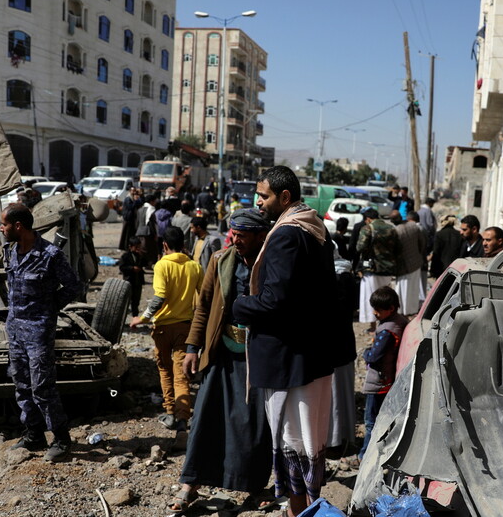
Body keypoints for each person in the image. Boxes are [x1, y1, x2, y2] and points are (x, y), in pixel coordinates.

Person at [232, 166, 348, 517]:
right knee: (307, 441)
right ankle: (302, 509)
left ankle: (301, 511)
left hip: (289, 359)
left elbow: (275, 301)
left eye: (263, 196)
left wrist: (237, 305)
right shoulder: (315, 228)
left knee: (293, 442)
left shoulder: (286, 234)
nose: (259, 202)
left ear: (284, 197)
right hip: (310, 354)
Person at [170, 209, 274, 513]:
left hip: (257, 359)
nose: (236, 239)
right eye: (234, 233)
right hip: (222, 354)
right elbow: (202, 307)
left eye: (243, 235)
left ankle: (254, 485)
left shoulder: (270, 264)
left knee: (252, 424)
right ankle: (190, 482)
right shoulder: (220, 260)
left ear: (259, 235)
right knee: (205, 416)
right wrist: (192, 347)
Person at [1, 203, 82, 462]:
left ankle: (61, 438)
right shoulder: (11, 250)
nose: (1, 229)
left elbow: (72, 287)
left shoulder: (50, 254)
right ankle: (34, 434)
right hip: (15, 330)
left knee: (42, 387)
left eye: (4, 224)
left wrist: (48, 309)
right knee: (22, 384)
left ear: (18, 226)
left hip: (38, 331)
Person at [129, 226, 202, 432]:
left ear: (165, 245)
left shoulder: (162, 265)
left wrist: (142, 319)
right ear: (184, 245)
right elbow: (204, 297)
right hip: (185, 328)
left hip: (162, 328)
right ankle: (182, 419)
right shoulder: (194, 266)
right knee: (182, 374)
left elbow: (159, 297)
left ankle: (170, 411)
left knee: (165, 371)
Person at [359, 286, 407, 460]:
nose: (374, 313)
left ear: (391, 309)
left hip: (378, 383)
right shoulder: (400, 321)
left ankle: (365, 456)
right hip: (387, 381)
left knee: (371, 422)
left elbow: (374, 356)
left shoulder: (387, 331)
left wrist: (366, 353)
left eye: (378, 310)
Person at [355, 208, 400, 324]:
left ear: (368, 219)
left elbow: (360, 247)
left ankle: (373, 326)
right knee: (385, 297)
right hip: (388, 269)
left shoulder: (368, 228)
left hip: (372, 269)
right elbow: (398, 248)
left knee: (372, 297)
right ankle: (386, 322)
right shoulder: (391, 228)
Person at [394, 212, 427, 316]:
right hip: (416, 264)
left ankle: (402, 311)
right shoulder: (414, 227)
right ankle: (411, 311)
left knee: (401, 290)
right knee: (413, 289)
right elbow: (422, 244)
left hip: (403, 266)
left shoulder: (396, 230)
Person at [118, 236, 146, 319]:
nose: (138, 249)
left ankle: (135, 318)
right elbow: (122, 267)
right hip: (129, 281)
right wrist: (132, 268)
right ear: (130, 247)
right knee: (126, 301)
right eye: (136, 247)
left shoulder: (140, 256)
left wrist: (142, 256)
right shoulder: (125, 256)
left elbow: (146, 263)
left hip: (138, 282)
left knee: (136, 301)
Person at [430, 214, 462, 279]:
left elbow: (436, 253)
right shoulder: (459, 234)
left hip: (441, 269)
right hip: (456, 269)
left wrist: (433, 271)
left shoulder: (439, 234)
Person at [135, 192, 160, 264]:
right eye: (154, 201)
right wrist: (155, 234)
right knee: (149, 249)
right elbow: (151, 223)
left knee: (142, 249)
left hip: (140, 231)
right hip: (148, 232)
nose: (155, 203)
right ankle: (148, 264)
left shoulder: (140, 209)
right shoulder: (151, 209)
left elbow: (137, 222)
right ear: (151, 201)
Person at [118, 187, 142, 251]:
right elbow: (130, 207)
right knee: (126, 234)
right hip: (128, 218)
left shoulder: (133, 198)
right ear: (129, 191)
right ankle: (125, 246)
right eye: (132, 191)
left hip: (132, 219)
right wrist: (136, 201)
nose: (134, 192)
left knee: (130, 233)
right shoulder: (128, 198)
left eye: (135, 191)